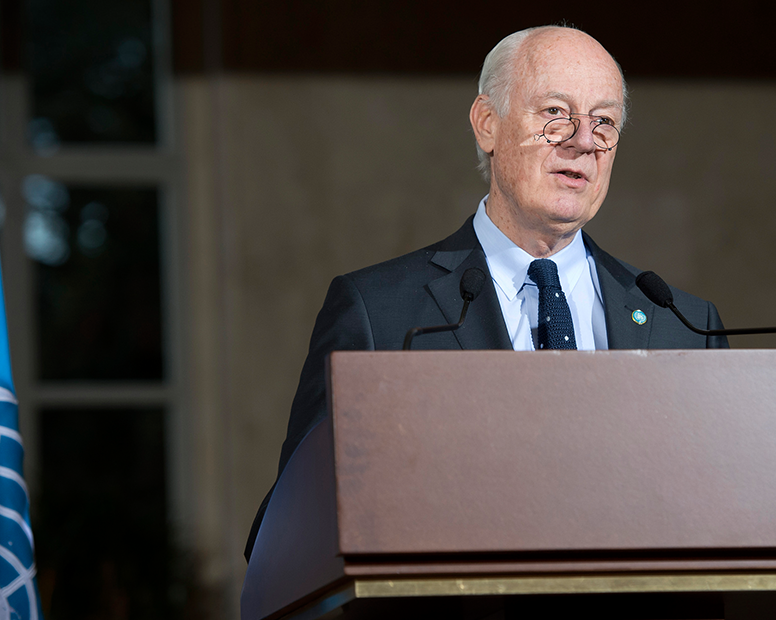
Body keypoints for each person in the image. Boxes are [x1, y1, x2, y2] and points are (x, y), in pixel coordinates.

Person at [244, 25, 728, 561]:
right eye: (555, 113)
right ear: (487, 124)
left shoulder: (683, 324)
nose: (584, 141)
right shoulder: (380, 314)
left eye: (604, 122)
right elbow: (289, 530)